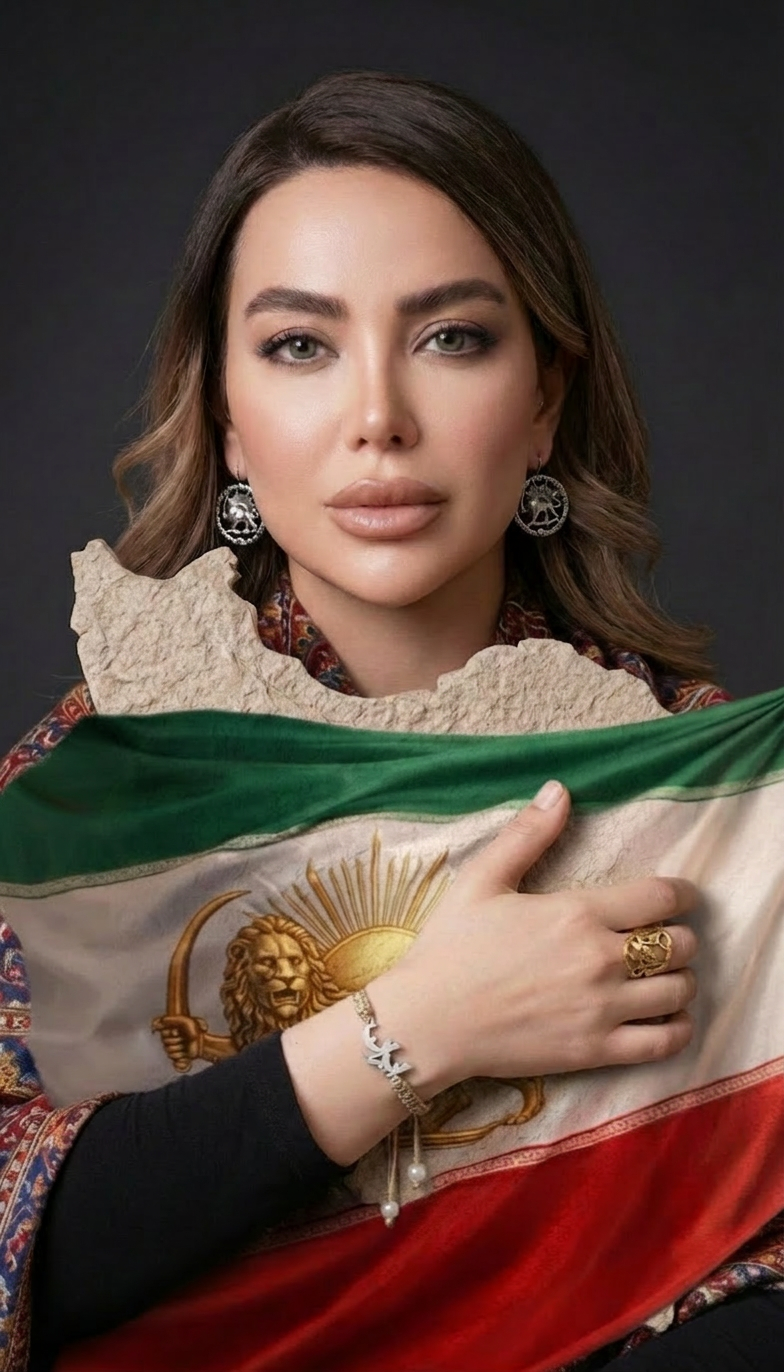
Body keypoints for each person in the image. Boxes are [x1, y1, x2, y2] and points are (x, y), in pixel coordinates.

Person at [1, 69, 781, 1372]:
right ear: (227, 416)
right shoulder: (90, 802)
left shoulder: (709, 805)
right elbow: (21, 1252)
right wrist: (426, 1025)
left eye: (452, 338)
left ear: (545, 400)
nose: (378, 420)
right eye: (300, 346)